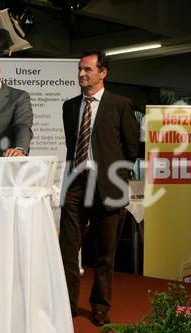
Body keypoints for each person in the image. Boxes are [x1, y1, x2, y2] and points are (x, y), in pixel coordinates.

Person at [59, 50, 139, 326]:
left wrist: (118, 177)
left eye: (88, 70)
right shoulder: (69, 106)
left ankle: (100, 307)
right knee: (67, 249)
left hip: (108, 186)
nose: (82, 74)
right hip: (76, 185)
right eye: (80, 69)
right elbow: (73, 146)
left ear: (103, 72)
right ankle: (67, 304)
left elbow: (131, 148)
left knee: (105, 254)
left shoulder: (120, 104)